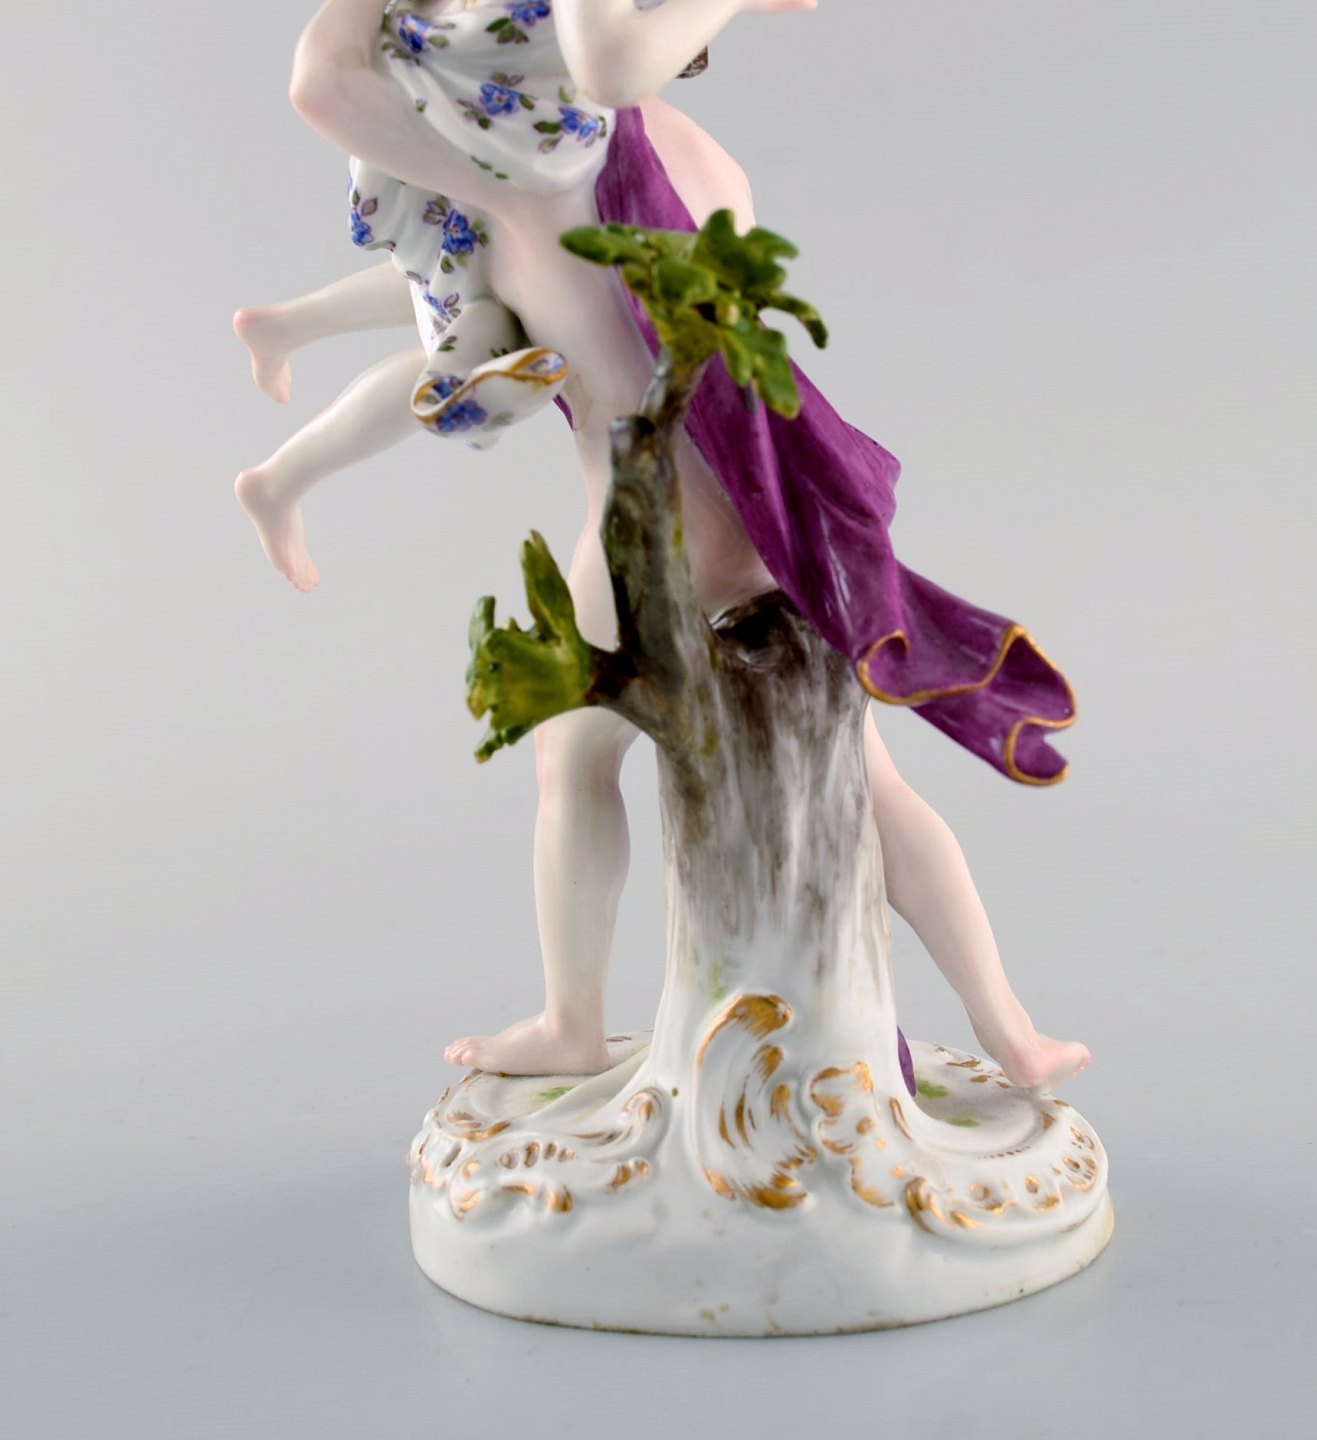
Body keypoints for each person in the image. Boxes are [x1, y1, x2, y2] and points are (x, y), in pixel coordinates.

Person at [279, 0, 1090, 1088]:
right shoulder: (700, 160)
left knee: (573, 768)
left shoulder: (537, 169)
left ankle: (570, 1021)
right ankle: (1012, 1029)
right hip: (780, 528)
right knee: (873, 788)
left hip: (645, 543)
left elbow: (323, 84)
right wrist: (301, 322)